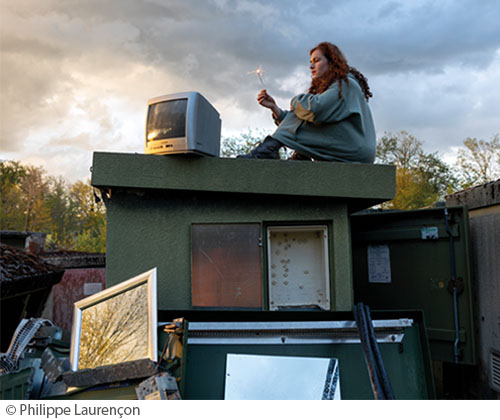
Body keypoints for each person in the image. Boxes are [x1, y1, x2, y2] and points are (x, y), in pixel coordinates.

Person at [237, 42, 376, 163]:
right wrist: (275, 108)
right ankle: (277, 150)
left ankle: (270, 149)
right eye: (310, 62)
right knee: (303, 111)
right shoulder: (336, 87)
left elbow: (315, 109)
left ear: (332, 62)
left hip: (356, 149)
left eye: (316, 60)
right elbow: (303, 118)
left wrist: (295, 101)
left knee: (305, 108)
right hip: (351, 147)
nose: (311, 66)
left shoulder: (345, 84)